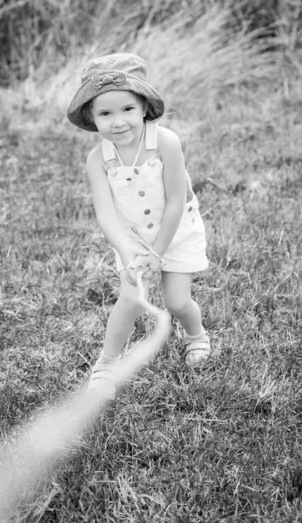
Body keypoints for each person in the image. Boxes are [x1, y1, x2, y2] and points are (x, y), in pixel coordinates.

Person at [67, 53, 210, 398]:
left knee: (177, 301)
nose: (118, 122)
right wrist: (129, 252)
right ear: (91, 118)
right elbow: (106, 213)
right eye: (105, 113)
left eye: (127, 109)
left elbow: (176, 201)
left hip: (175, 232)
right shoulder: (97, 159)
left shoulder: (165, 142)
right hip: (131, 239)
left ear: (144, 107)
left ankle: (196, 335)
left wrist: (157, 252)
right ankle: (106, 363)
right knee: (129, 300)